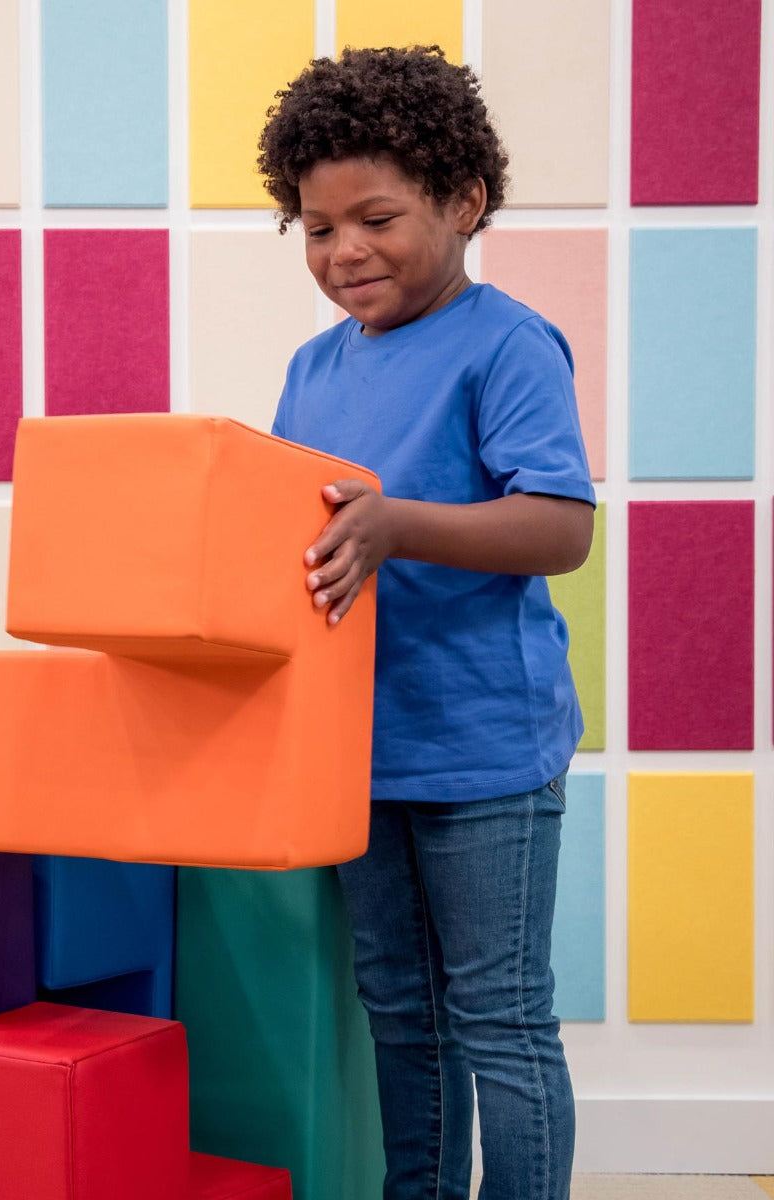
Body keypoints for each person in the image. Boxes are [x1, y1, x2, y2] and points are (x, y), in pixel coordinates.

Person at [258, 46, 596, 1200]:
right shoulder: (310, 370)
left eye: (377, 218)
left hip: (487, 748)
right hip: (361, 749)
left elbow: (558, 529)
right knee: (399, 1012)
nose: (345, 251)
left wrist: (397, 525)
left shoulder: (508, 344)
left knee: (498, 1019)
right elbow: (299, 547)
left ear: (463, 201)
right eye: (315, 228)